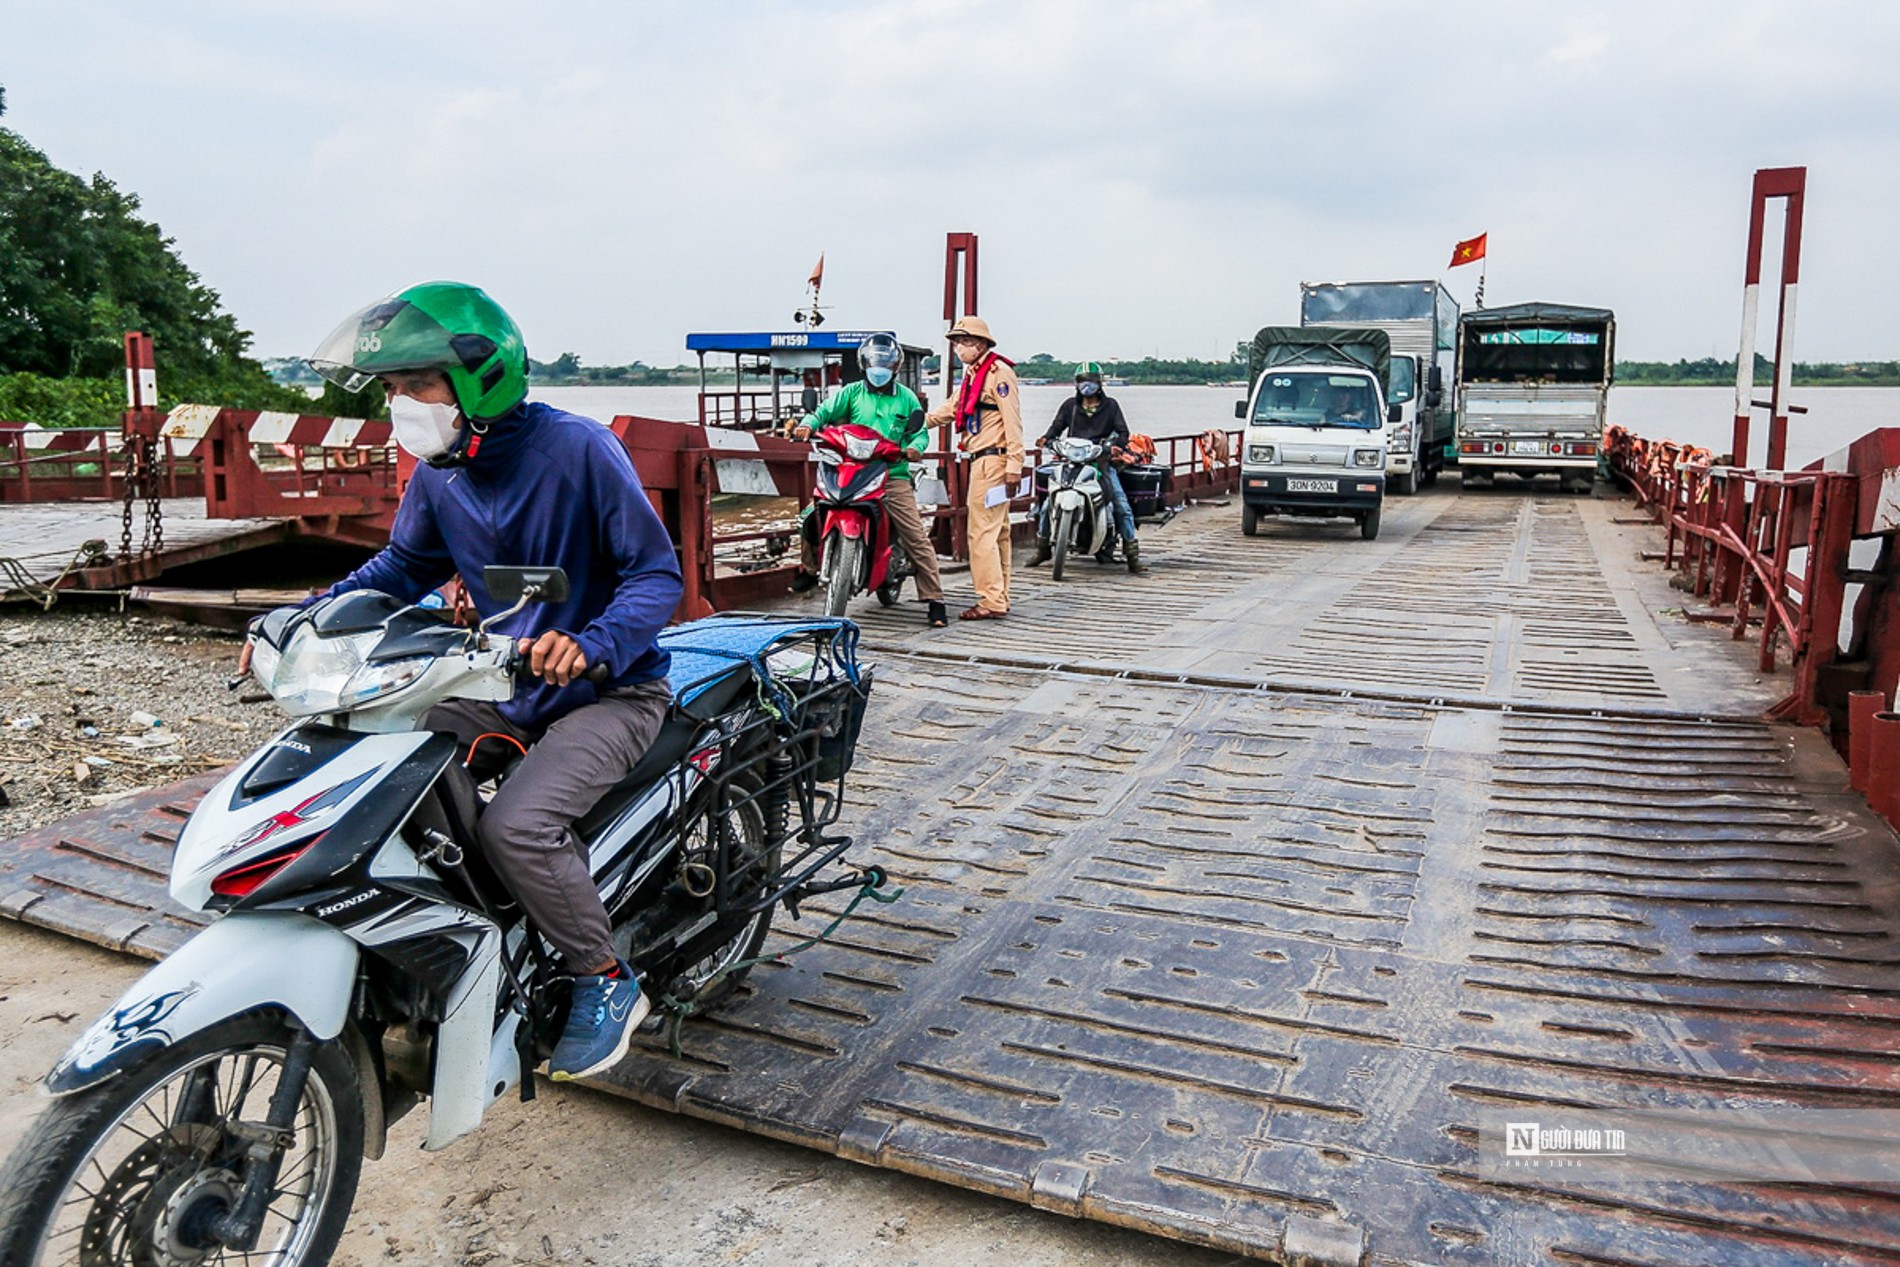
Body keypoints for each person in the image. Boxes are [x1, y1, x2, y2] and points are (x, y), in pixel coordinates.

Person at [294, 281, 685, 1081]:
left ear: (480, 377)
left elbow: (655, 574)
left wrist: (592, 642)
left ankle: (603, 977)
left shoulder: (577, 451)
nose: (401, 404)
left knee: (517, 825)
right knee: (385, 767)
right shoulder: (439, 472)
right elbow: (404, 566)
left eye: (416, 385)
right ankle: (472, 937)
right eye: (392, 389)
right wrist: (303, 618)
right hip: (501, 683)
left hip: (612, 692)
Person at [788, 334, 947, 627]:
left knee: (916, 535)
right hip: (849, 468)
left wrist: (915, 448)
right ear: (864, 364)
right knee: (811, 514)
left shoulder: (906, 397)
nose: (879, 368)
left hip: (892, 474)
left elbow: (919, 432)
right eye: (875, 362)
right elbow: (823, 413)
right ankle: (810, 569)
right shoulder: (850, 393)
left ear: (895, 366)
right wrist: (807, 425)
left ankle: (934, 599)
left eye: (885, 363)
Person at [925, 316, 1022, 620]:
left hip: (992, 460)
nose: (957, 348)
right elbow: (951, 409)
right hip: (984, 459)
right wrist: (915, 423)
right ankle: (999, 595)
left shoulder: (998, 374)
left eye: (962, 342)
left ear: (979, 344)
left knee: (980, 534)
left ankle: (990, 600)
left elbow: (1013, 421)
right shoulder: (973, 376)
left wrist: (1014, 464)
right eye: (955, 342)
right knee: (998, 533)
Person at [1029, 362, 1146, 574]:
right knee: (1047, 504)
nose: (1087, 385)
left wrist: (1116, 447)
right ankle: (1043, 547)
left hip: (1100, 462)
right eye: (1083, 381)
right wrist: (1046, 439)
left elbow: (1122, 432)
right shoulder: (1069, 407)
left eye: (1091, 381)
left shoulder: (1111, 406)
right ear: (1076, 384)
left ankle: (1132, 554)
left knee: (1121, 505)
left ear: (1100, 383)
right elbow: (1055, 429)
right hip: (1071, 462)